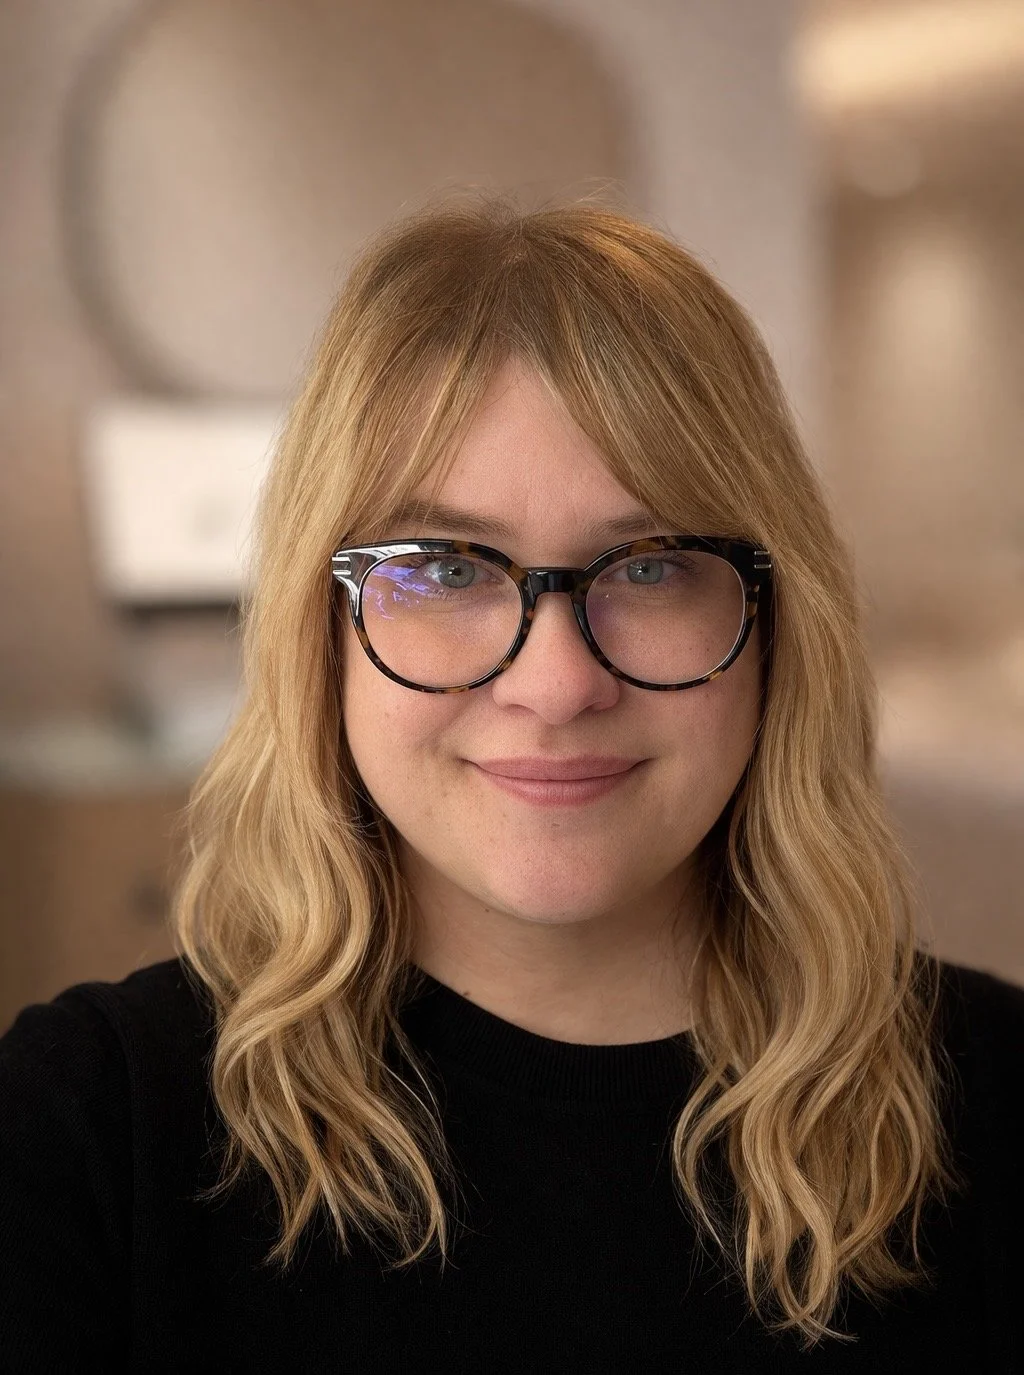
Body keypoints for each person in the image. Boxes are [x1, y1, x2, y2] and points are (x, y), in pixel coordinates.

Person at [1, 190, 1022, 1374]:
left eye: (648, 566)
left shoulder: (998, 1101)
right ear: (316, 628)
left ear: (775, 620)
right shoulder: (83, 1134)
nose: (555, 681)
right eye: (441, 566)